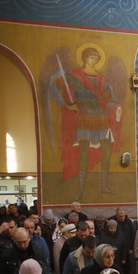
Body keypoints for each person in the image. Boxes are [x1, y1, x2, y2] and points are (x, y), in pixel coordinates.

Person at [50, 46, 122, 200]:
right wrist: (66, 104)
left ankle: (105, 186)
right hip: (85, 119)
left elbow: (109, 100)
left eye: (96, 59)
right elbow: (53, 86)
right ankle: (81, 189)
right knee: (83, 154)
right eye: (90, 58)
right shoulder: (73, 76)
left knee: (107, 152)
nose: (93, 61)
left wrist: (116, 109)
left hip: (102, 118)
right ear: (84, 58)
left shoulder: (102, 79)